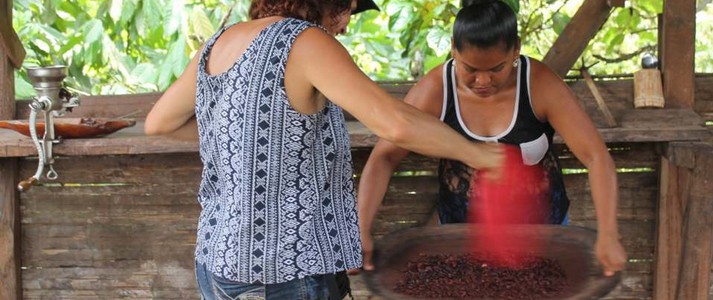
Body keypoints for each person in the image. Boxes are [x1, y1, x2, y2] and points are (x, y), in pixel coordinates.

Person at [144, 0, 504, 299]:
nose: (346, 23)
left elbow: (159, 123)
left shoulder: (218, 42)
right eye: (347, 7)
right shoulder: (305, 41)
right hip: (286, 270)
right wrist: (478, 155)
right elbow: (394, 122)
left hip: (217, 266)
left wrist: (246, 137)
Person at [354, 0, 627, 278]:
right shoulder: (437, 89)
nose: (482, 80)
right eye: (470, 69)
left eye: (496, 68)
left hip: (545, 236)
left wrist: (608, 233)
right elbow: (384, 156)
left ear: (516, 49)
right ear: (453, 49)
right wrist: (360, 229)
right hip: (459, 238)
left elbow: (596, 156)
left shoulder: (540, 85)